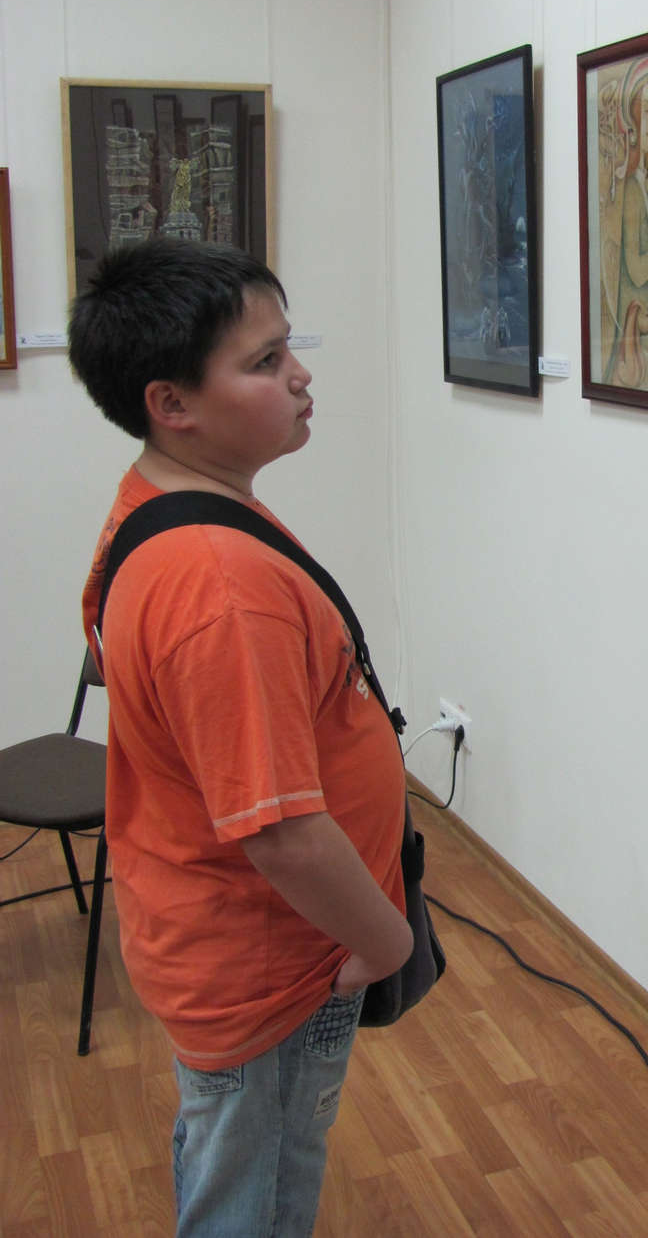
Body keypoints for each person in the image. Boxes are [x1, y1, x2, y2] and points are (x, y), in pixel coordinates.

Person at [68, 238, 414, 1238]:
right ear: (171, 402)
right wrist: (384, 939)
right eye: (264, 361)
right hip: (273, 968)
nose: (300, 375)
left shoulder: (156, 504)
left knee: (231, 1163)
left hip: (224, 937)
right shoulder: (218, 582)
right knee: (253, 1201)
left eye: (289, 347)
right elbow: (282, 833)